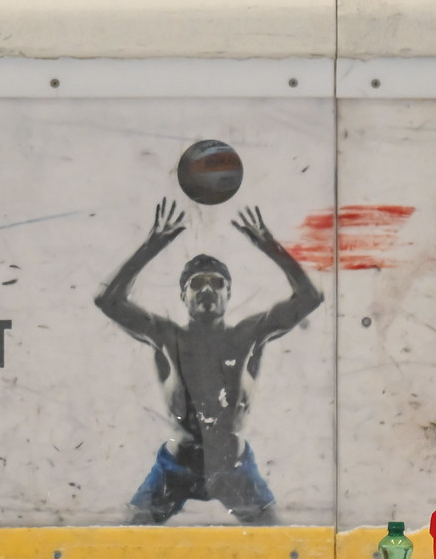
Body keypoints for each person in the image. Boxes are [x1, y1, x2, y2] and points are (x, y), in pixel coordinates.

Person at [95, 201, 323, 526]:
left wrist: (270, 246)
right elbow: (109, 301)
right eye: (196, 283)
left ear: (228, 294)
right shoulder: (167, 336)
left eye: (217, 283)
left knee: (277, 543)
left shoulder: (247, 335)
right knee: (126, 540)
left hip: (232, 464)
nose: (206, 290)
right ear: (182, 295)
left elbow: (309, 298)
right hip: (180, 462)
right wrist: (151, 246)